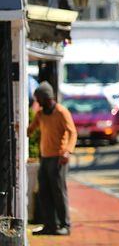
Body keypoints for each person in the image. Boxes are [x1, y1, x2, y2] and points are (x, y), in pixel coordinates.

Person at [26, 82, 76, 236]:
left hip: (58, 158)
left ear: (47, 99)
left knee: (59, 191)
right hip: (45, 157)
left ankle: (65, 225)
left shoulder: (61, 112)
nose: (38, 103)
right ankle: (49, 225)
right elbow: (30, 130)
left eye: (39, 100)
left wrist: (67, 151)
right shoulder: (41, 114)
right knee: (44, 192)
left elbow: (72, 132)